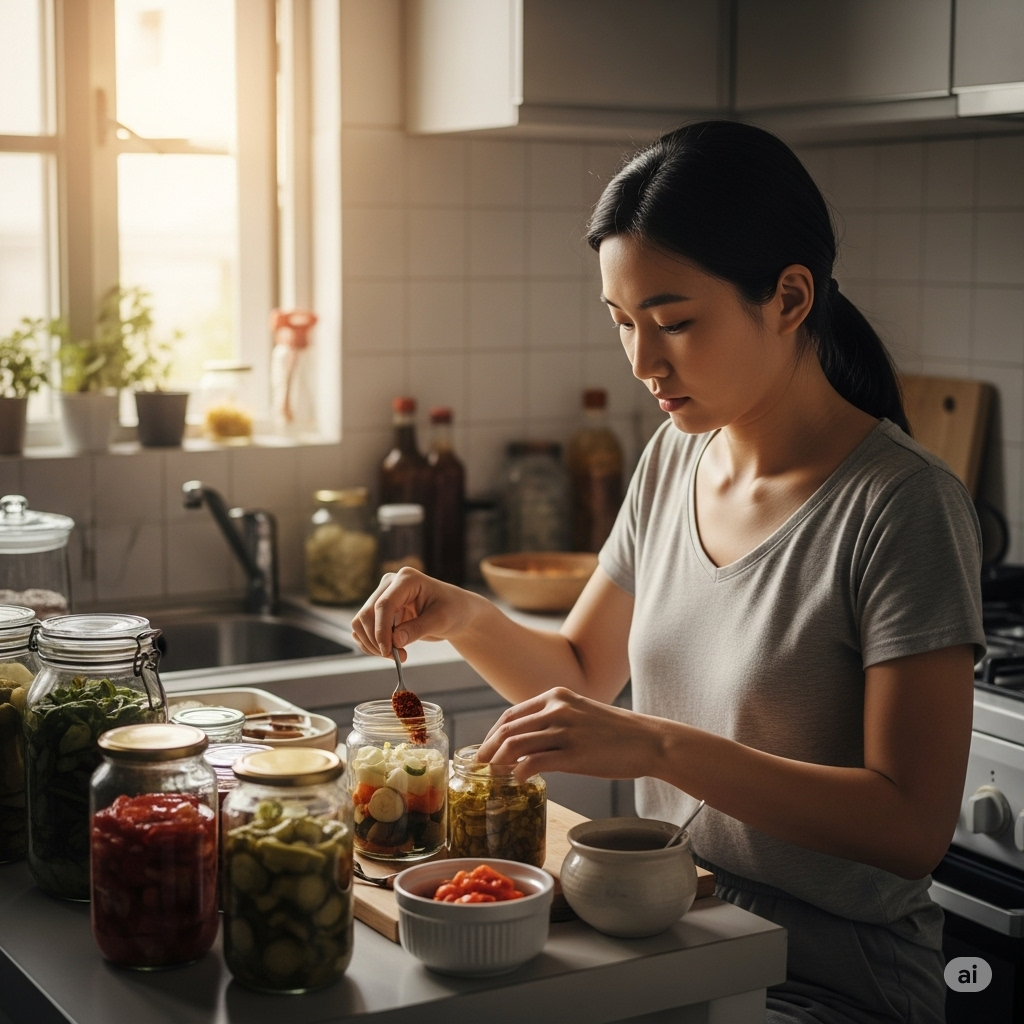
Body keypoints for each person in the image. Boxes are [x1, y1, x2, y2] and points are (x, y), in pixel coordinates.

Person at [351, 121, 983, 1024]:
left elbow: (910, 828)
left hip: (832, 980)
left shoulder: (902, 507)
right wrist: (463, 616)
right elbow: (580, 674)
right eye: (621, 324)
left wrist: (654, 745)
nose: (645, 362)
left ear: (790, 297)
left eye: (675, 323)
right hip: (675, 935)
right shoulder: (673, 460)